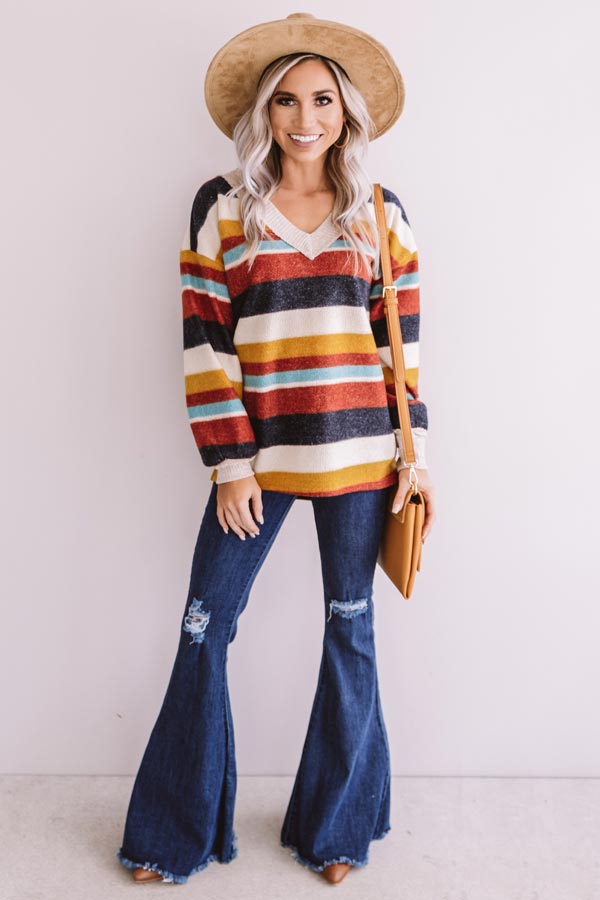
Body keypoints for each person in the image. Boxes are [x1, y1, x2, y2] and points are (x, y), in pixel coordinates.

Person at [116, 11, 436, 886]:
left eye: (323, 99)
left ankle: (337, 832)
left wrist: (415, 454)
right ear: (264, 111)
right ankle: (171, 835)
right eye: (287, 100)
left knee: (351, 631)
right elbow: (205, 339)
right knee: (204, 626)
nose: (305, 117)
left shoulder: (380, 213)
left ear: (346, 111)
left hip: (364, 460)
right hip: (257, 463)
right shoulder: (222, 208)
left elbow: (401, 350)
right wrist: (230, 463)